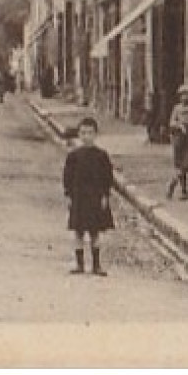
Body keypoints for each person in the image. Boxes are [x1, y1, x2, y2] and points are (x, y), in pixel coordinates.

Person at [63, 116, 115, 275]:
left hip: (95, 197)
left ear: (96, 134)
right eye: (83, 133)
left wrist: (105, 195)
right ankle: (79, 264)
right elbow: (67, 177)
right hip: (79, 197)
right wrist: (68, 195)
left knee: (95, 231)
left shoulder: (102, 156)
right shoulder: (73, 156)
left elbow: (108, 177)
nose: (86, 136)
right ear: (79, 135)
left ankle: (96, 264)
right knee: (78, 231)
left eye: (90, 133)